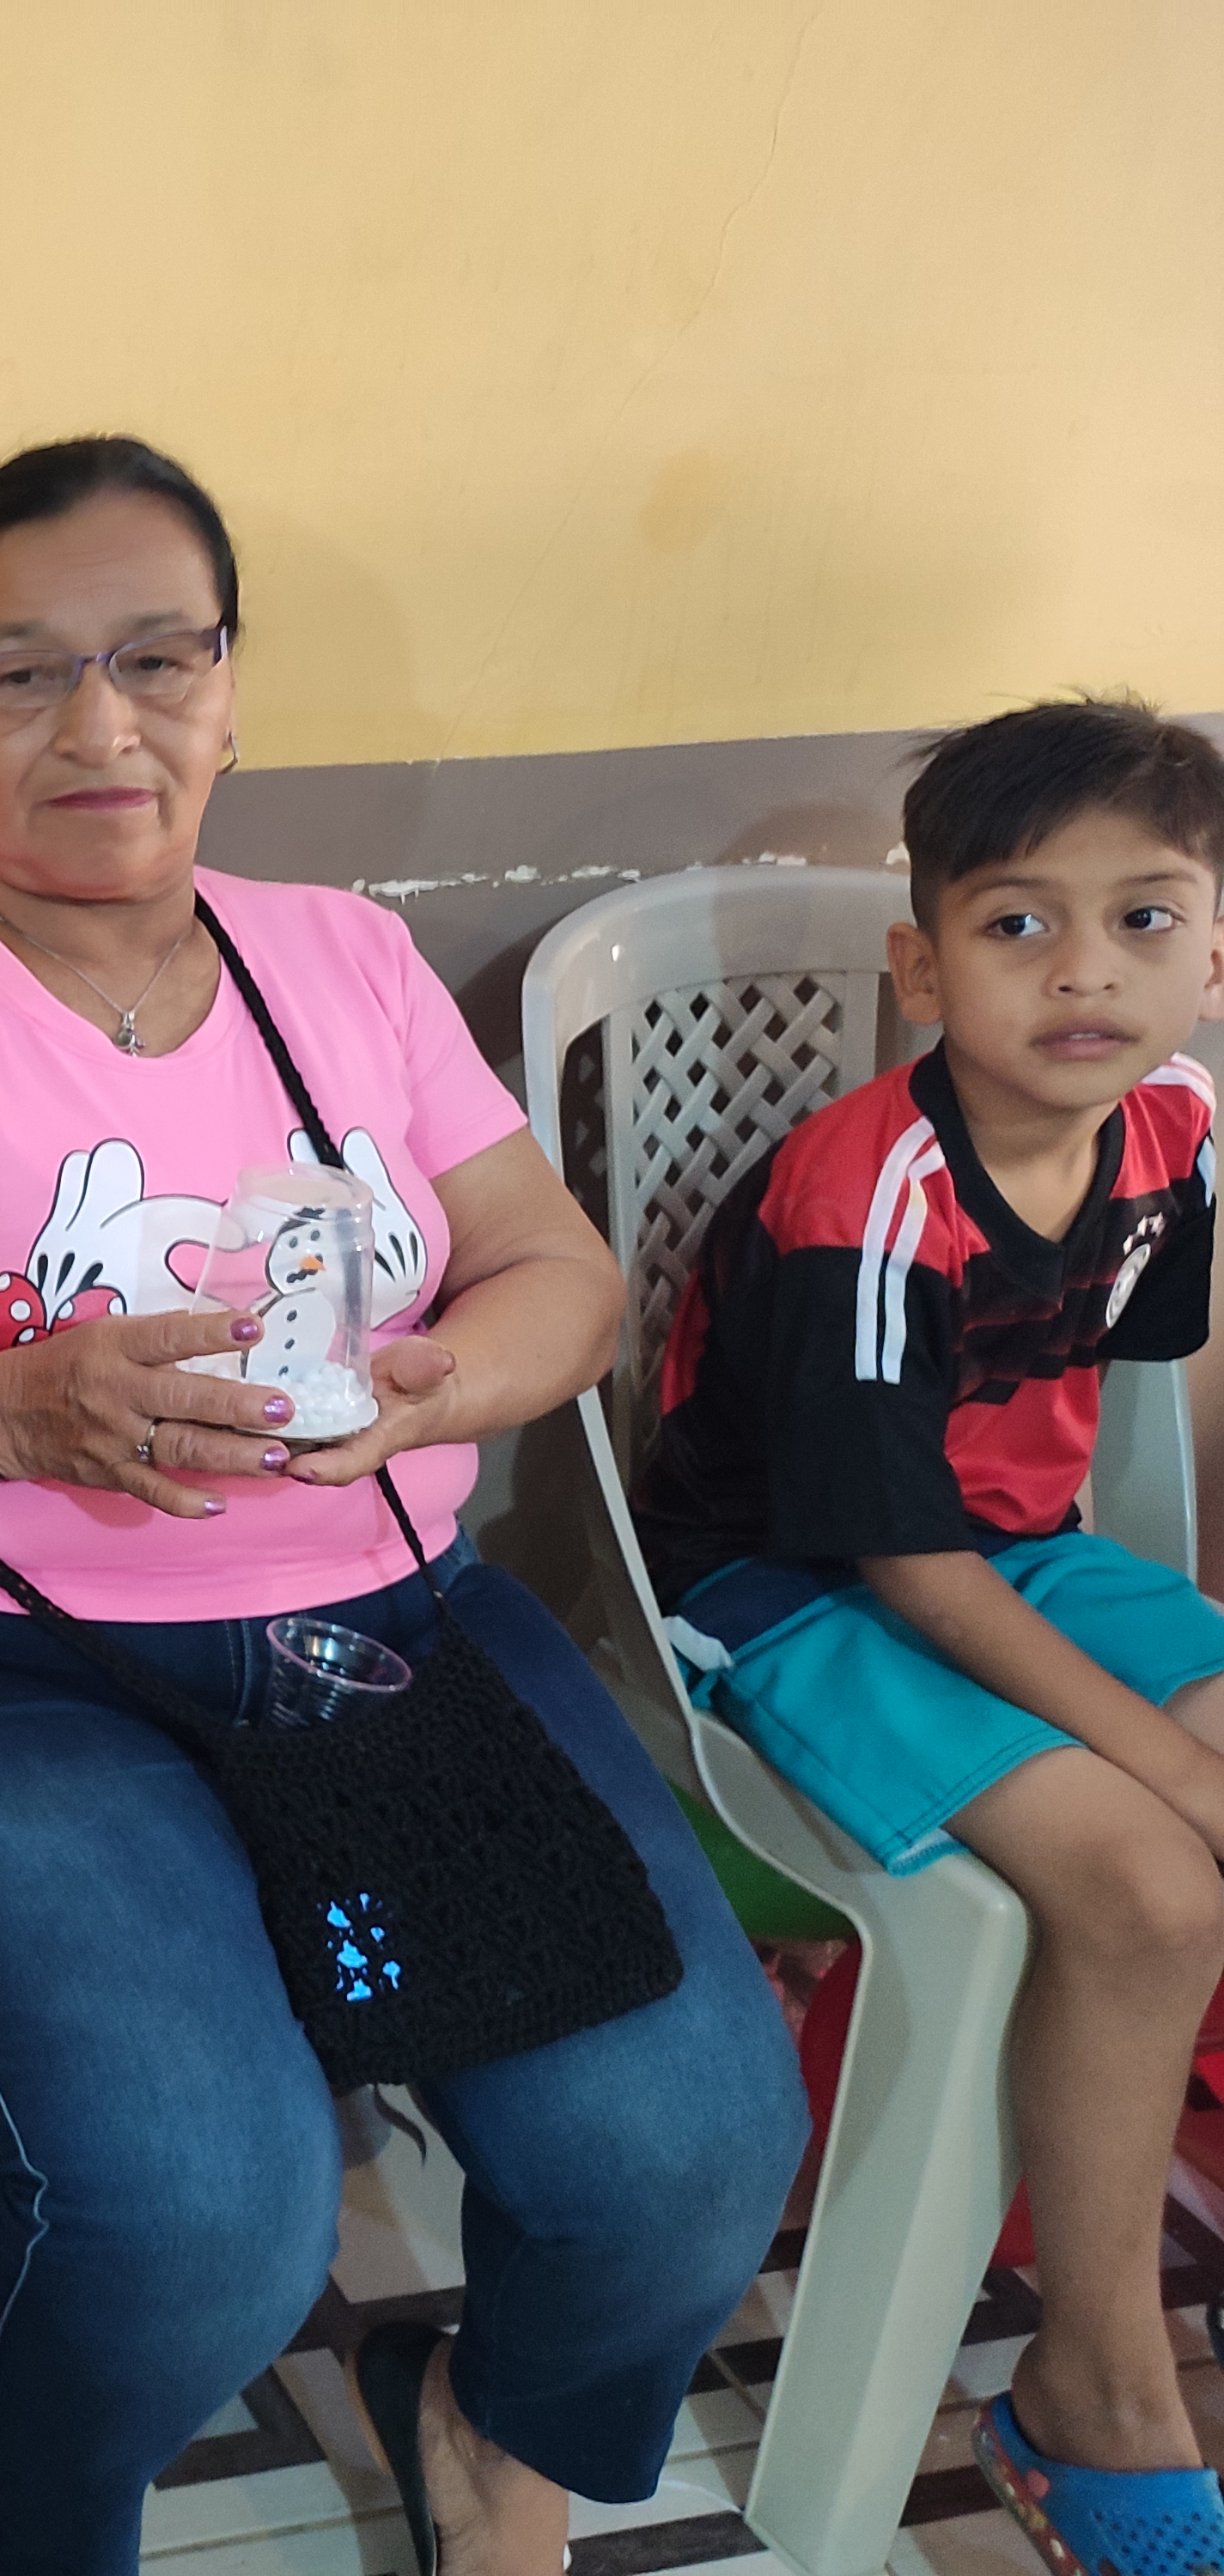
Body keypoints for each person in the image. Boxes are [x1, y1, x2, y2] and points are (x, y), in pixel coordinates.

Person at [0, 437, 807, 2576]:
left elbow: (556, 1279)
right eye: (20, 672)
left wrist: (444, 1374)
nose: (100, 724)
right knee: (199, 2207)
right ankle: (40, 2530)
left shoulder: (342, 964)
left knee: (688, 2143)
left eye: (158, 659)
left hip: (376, 1623)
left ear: (231, 692)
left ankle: (488, 2439)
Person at [633, 698, 1224, 2561]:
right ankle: (1092, 2386)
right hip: (787, 1587)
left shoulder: (1172, 1130)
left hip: (1013, 1550)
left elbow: (1118, 1410)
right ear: (921, 968)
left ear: (1213, 956)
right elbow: (907, 1570)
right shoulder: (867, 1201)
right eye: (1016, 922)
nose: (1084, 971)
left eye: (1143, 918)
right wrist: (1170, 1761)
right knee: (1152, 1883)